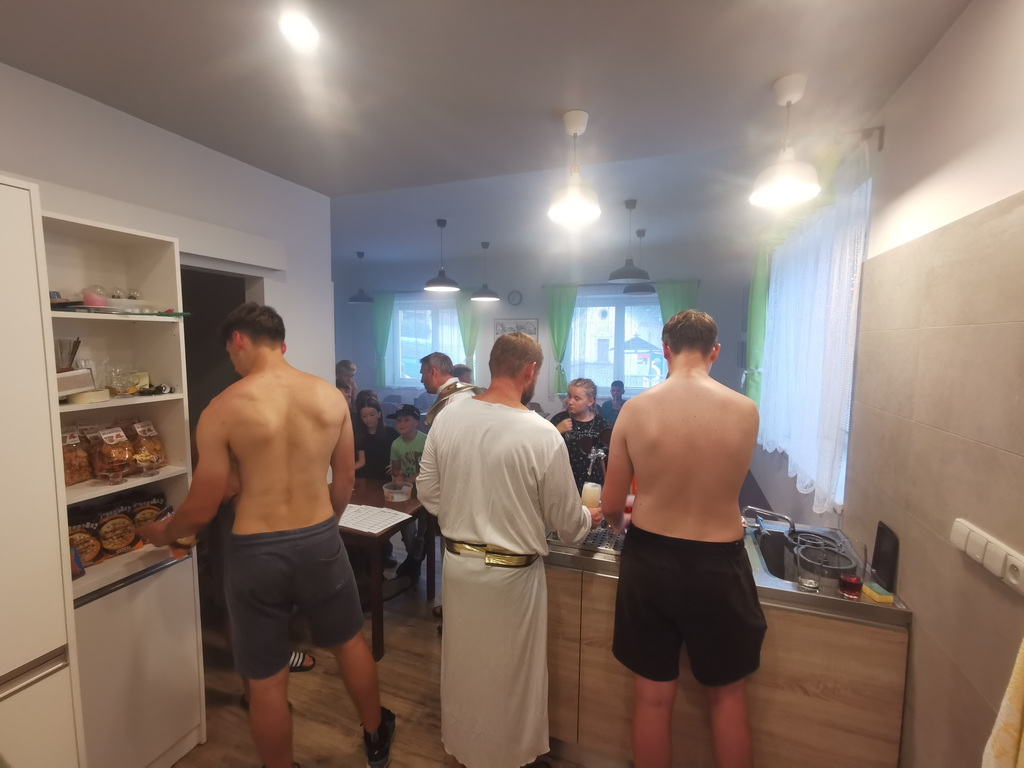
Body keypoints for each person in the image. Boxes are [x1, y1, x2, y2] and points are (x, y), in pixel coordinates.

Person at [139, 303, 396, 768]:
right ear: (283, 344)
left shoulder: (222, 408)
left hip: (255, 552)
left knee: (267, 679)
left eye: (230, 353)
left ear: (238, 340)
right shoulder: (329, 397)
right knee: (348, 643)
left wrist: (164, 532)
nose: (232, 362)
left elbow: (203, 504)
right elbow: (343, 482)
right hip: (320, 539)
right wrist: (325, 526)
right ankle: (376, 739)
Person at [416, 332, 600, 768]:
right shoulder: (541, 433)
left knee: (465, 667)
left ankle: (468, 751)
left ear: (491, 365)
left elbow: (428, 491)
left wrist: (466, 511)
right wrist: (589, 517)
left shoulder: (448, 417)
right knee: (511, 673)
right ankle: (507, 757)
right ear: (530, 372)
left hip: (458, 567)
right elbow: (567, 525)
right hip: (512, 577)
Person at [601, 309, 765, 768]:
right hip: (720, 564)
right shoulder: (745, 410)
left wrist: (620, 524)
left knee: (653, 699)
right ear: (715, 351)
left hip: (651, 561)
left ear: (664, 349)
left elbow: (612, 504)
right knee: (728, 697)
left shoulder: (635, 409)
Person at [387, 404, 429, 582]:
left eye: (406, 420)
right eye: (399, 420)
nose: (401, 423)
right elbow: (396, 468)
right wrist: (398, 477)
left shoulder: (426, 441)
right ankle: (413, 560)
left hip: (426, 492)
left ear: (416, 422)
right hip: (407, 495)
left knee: (423, 532)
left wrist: (409, 480)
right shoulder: (396, 444)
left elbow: (428, 468)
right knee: (407, 530)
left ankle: (413, 563)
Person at [550, 378, 608, 491]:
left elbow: (604, 458)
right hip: (563, 479)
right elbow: (544, 448)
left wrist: (606, 486)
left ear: (590, 401)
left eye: (577, 398)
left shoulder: (600, 423)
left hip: (592, 482)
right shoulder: (559, 419)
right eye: (569, 396)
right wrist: (557, 430)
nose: (570, 401)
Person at [420, 352, 480, 426]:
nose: (422, 380)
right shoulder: (451, 395)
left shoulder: (459, 398)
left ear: (433, 372)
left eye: (423, 374)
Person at [354, 391, 399, 481]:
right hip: (363, 478)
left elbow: (404, 451)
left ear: (379, 414)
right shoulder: (359, 435)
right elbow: (361, 461)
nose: (368, 419)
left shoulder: (391, 433)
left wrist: (396, 464)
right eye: (364, 416)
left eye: (372, 415)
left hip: (383, 479)